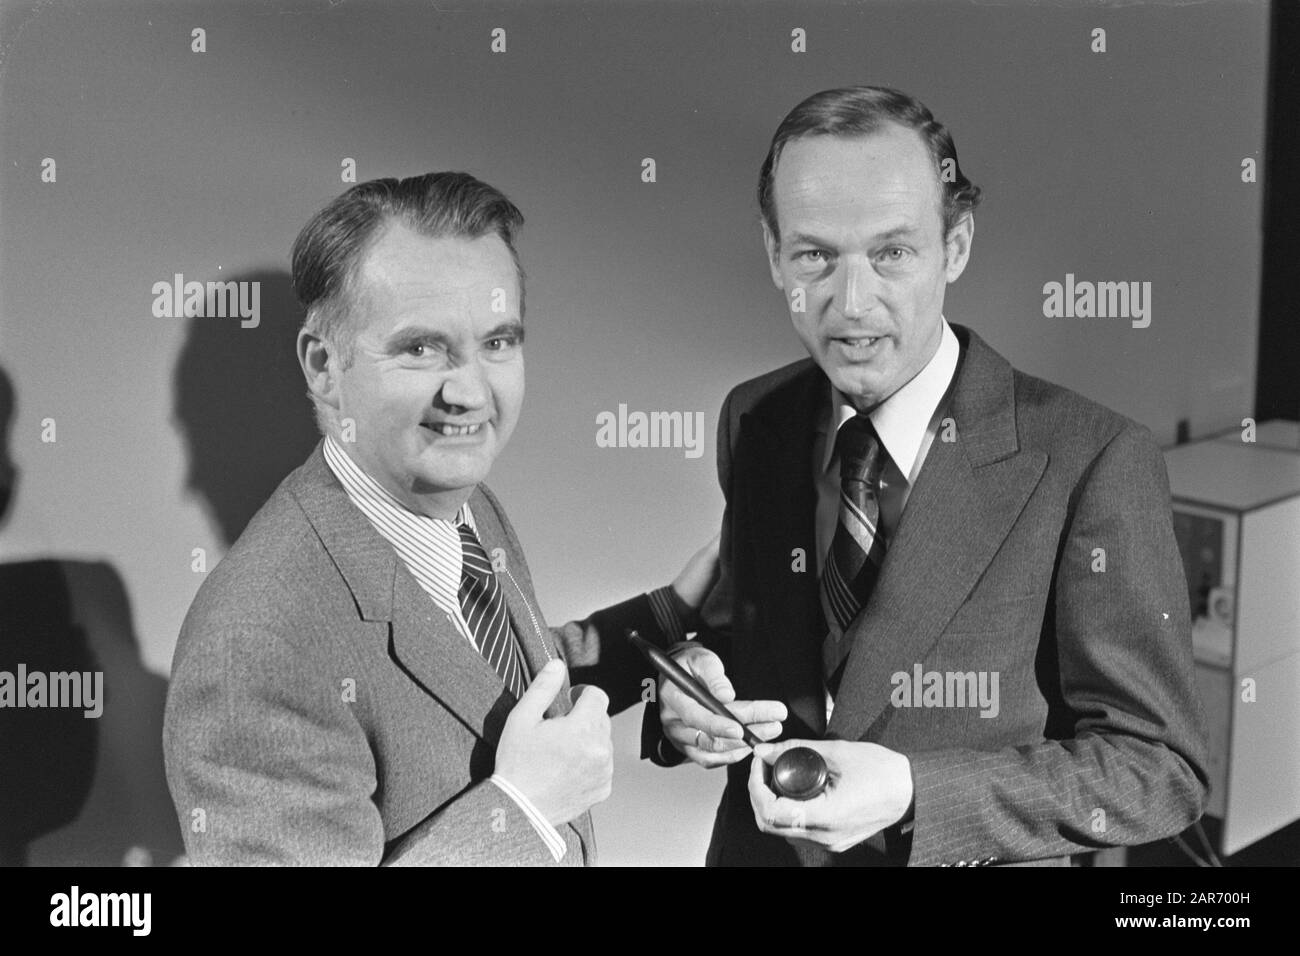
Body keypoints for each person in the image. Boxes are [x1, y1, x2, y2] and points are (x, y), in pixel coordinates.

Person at [644, 86, 1209, 867]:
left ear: (957, 246)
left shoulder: (1094, 458)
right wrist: (695, 687)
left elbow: (1160, 771)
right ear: (774, 255)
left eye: (892, 252)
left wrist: (916, 792)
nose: (851, 302)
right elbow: (759, 634)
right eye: (815, 255)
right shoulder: (753, 418)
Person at [163, 172, 719, 865]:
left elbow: (479, 685)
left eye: (497, 342)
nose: (469, 392)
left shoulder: (466, 504)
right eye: (421, 349)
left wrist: (671, 616)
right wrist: (524, 812)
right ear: (324, 367)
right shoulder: (254, 643)